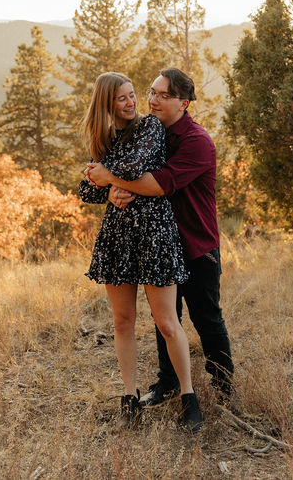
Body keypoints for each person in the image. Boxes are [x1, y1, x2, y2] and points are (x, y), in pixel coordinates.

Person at [85, 68, 234, 410]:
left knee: (206, 317)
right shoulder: (148, 132)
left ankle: (224, 389)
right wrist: (109, 190)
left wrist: (110, 180)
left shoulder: (196, 141)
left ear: (183, 103)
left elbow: (159, 184)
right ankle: (167, 385)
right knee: (164, 319)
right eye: (150, 92)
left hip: (195, 243)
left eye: (162, 95)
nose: (151, 100)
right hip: (159, 242)